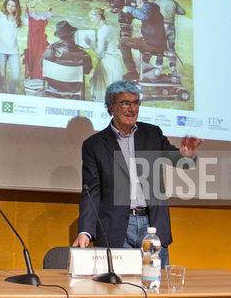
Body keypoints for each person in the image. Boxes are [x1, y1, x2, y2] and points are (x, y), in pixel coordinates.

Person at [72, 81, 202, 267]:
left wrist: (187, 154)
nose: (132, 109)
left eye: (136, 103)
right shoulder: (94, 145)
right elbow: (91, 192)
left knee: (156, 288)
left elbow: (177, 159)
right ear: (110, 108)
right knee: (120, 290)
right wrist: (85, 231)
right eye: (125, 103)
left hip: (152, 226)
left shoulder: (152, 134)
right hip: (117, 229)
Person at [119, 0, 166, 81]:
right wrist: (141, 34)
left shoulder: (147, 6)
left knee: (122, 42)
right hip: (160, 46)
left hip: (152, 45)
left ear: (140, 1)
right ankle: (145, 74)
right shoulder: (155, 9)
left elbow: (144, 16)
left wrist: (129, 9)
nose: (135, 5)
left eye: (136, 3)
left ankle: (132, 71)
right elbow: (152, 27)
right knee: (140, 46)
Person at [41, 20, 92, 99]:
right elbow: (87, 71)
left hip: (54, 86)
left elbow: (42, 65)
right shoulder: (83, 54)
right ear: (72, 35)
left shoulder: (51, 50)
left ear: (59, 36)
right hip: (73, 87)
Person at [84, 8, 122, 102]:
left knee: (102, 94)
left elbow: (99, 53)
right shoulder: (111, 27)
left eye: (92, 17)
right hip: (115, 62)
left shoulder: (102, 30)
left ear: (99, 16)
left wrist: (90, 44)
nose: (91, 20)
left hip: (107, 64)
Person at [0, 0, 24, 94]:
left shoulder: (20, 18)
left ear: (17, 7)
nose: (10, 8)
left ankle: (11, 93)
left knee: (15, 75)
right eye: (9, 5)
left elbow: (34, 22)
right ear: (5, 5)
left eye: (13, 6)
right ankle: (2, 94)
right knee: (2, 75)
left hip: (13, 51)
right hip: (0, 50)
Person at [154, 0, 185, 75]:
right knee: (171, 48)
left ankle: (158, 66)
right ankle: (172, 67)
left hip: (162, 26)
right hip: (171, 27)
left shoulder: (159, 2)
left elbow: (152, 7)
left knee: (160, 46)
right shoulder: (173, 3)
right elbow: (182, 12)